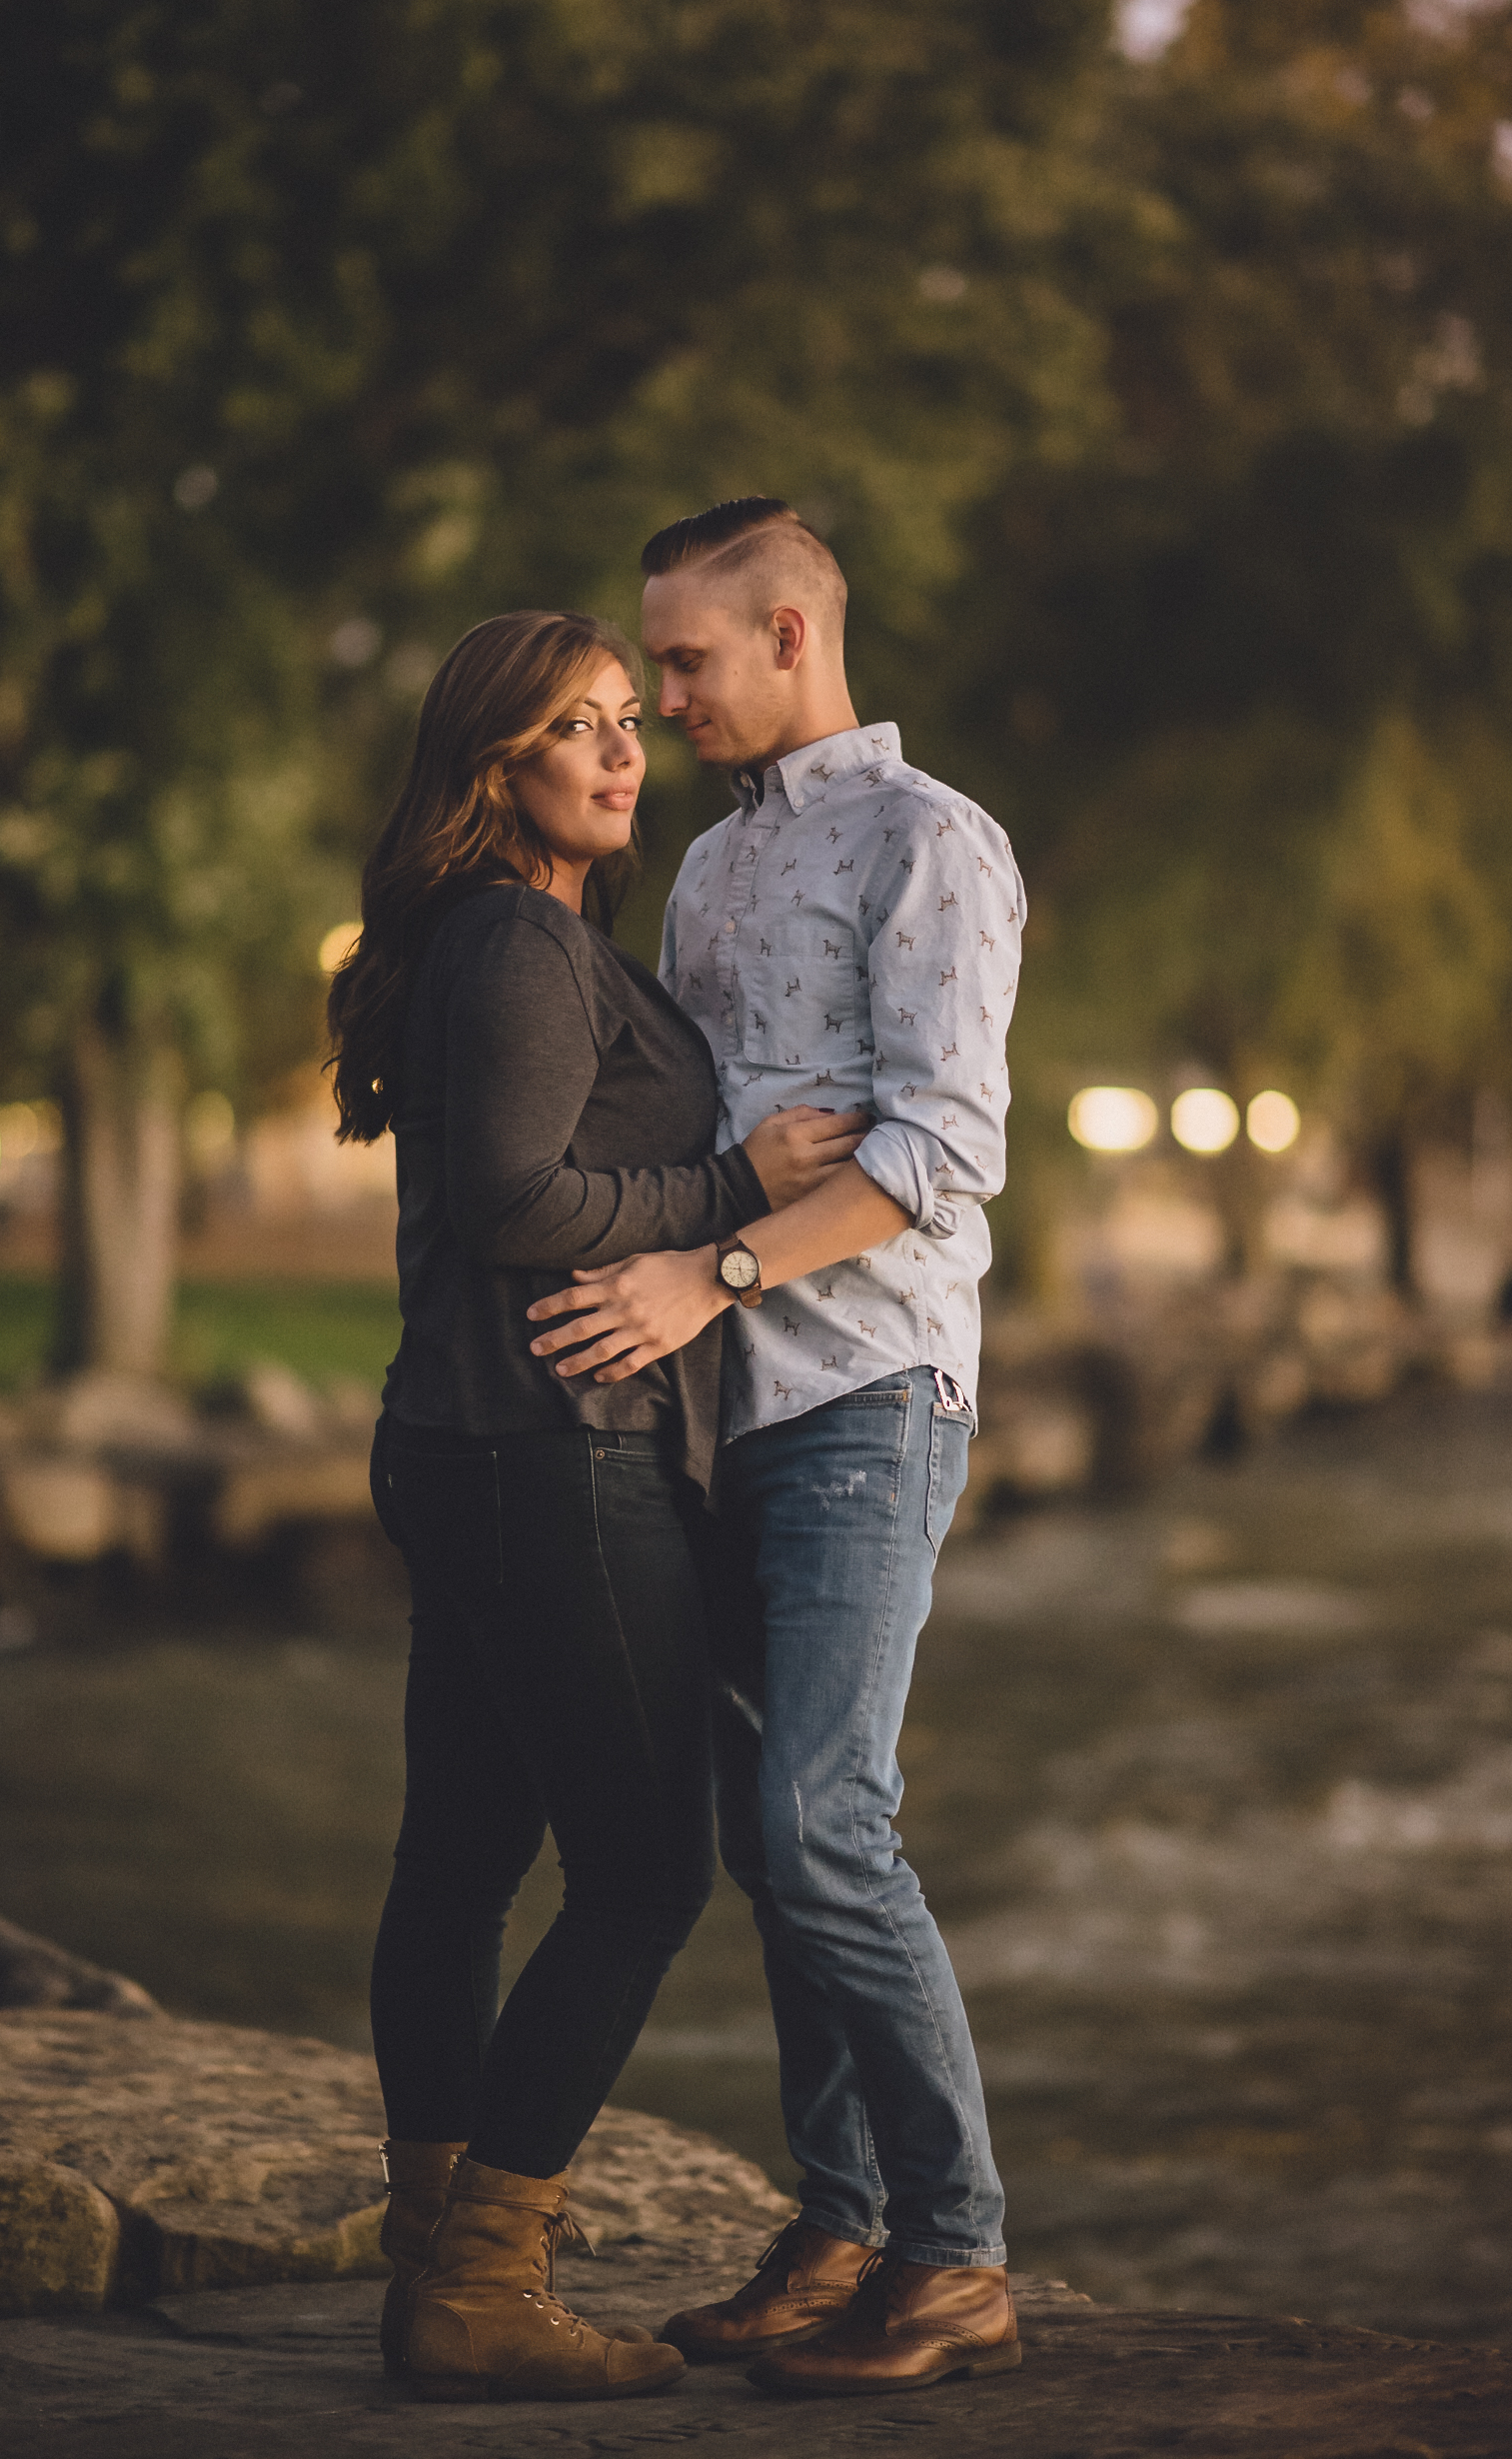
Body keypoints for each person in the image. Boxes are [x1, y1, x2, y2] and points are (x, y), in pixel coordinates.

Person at [326, 607, 865, 2405]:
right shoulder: (512, 946)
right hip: (552, 1454)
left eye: (633, 717)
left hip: (471, 1448)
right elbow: (509, 1202)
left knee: (463, 1864)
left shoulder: (529, 936)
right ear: (498, 769)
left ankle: (431, 2253)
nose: (626, 750)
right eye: (582, 726)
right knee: (644, 1872)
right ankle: (479, 2279)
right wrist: (730, 1195)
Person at [526, 500, 1027, 2399]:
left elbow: (935, 1156)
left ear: (794, 631)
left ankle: (958, 2253)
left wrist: (703, 1267)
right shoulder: (713, 873)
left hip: (866, 1392)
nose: (657, 698)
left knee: (825, 1825)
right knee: (768, 1832)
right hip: (719, 1408)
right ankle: (835, 2225)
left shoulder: (933, 843)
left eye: (685, 662)